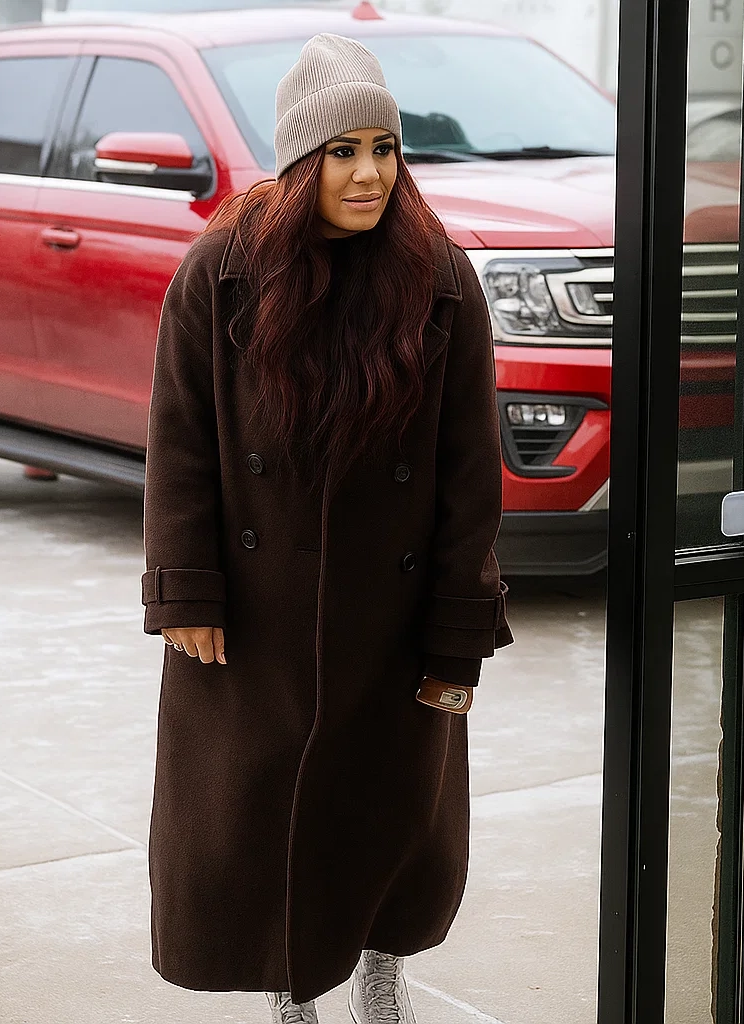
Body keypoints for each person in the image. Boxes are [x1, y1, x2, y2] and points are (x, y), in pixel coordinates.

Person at [140, 32, 514, 1024]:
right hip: (258, 614)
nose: (368, 174)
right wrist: (186, 589)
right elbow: (180, 442)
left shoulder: (439, 278)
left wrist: (458, 633)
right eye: (342, 151)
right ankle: (287, 990)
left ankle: (382, 975)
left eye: (384, 149)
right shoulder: (221, 271)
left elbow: (470, 474)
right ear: (301, 160)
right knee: (259, 818)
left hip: (389, 615)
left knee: (395, 815)